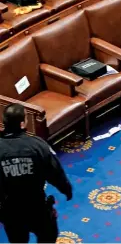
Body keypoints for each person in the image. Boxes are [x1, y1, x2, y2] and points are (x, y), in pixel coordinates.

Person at [0, 103, 73, 243]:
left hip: (10, 211)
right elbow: (55, 172)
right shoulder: (38, 145)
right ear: (22, 123)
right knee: (48, 237)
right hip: (37, 207)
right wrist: (66, 189)